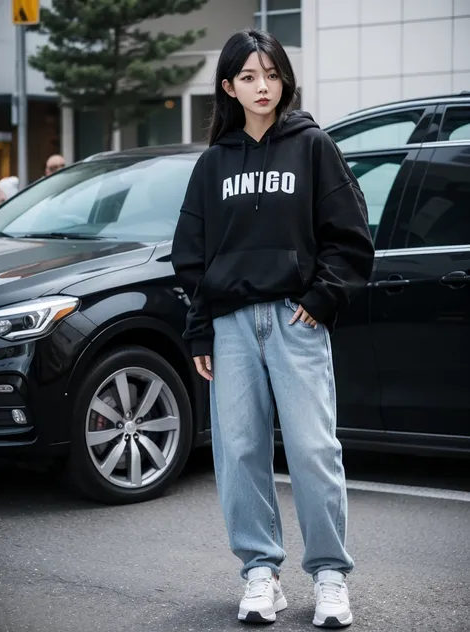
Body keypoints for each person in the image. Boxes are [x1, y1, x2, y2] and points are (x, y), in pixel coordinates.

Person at [172, 28, 374, 628]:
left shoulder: (312, 147)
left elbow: (351, 237)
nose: (264, 87)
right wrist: (200, 330)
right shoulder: (213, 164)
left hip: (295, 319)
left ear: (284, 79)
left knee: (314, 450)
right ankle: (261, 575)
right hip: (232, 326)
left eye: (273, 74)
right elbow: (192, 254)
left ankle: (330, 577)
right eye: (251, 77)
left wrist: (321, 297)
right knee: (239, 453)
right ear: (230, 87)